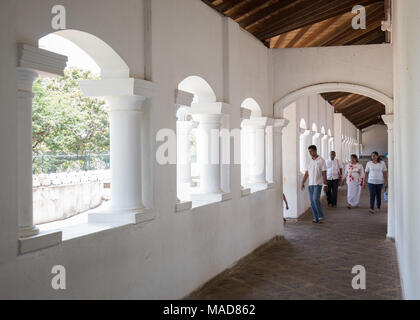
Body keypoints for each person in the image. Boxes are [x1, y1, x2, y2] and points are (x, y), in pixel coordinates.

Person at [301, 145, 327, 223]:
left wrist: (325, 184)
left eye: (311, 151)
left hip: (318, 183)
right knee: (312, 202)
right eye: (309, 151)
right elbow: (307, 172)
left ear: (315, 150)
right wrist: (303, 182)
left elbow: (324, 173)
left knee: (316, 199)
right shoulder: (309, 161)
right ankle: (315, 218)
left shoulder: (321, 160)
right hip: (310, 184)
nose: (310, 153)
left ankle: (320, 215)